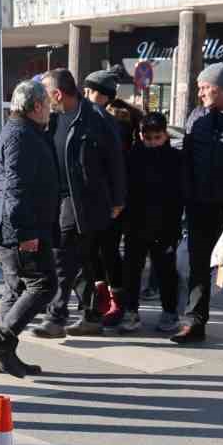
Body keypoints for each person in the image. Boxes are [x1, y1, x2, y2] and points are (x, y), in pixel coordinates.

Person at [35, 69, 125, 339]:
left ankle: (56, 316)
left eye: (45, 94)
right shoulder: (49, 119)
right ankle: (92, 315)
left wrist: (118, 199)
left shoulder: (97, 119)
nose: (42, 100)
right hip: (56, 200)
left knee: (62, 258)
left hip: (84, 200)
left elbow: (116, 162)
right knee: (82, 261)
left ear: (58, 94)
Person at [0, 79, 60, 378]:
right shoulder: (21, 135)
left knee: (15, 290)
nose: (50, 113)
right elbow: (16, 186)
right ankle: (0, 343)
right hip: (22, 228)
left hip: (17, 225)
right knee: (43, 285)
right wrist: (25, 233)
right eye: (48, 108)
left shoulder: (23, 131)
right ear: (37, 106)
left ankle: (3, 355)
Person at [175, 62, 223, 344]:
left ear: (221, 89)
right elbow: (186, 160)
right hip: (198, 205)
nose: (200, 92)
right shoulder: (196, 117)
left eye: (205, 87)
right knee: (198, 265)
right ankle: (194, 322)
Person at [118, 112, 185, 334]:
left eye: (157, 137)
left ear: (165, 135)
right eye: (148, 138)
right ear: (140, 135)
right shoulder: (132, 157)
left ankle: (169, 311)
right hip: (136, 223)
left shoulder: (175, 159)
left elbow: (179, 193)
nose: (153, 142)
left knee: (166, 271)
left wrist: (175, 223)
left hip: (165, 224)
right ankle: (130, 311)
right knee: (132, 270)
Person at [83, 69, 136, 325]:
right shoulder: (92, 117)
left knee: (109, 251)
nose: (85, 95)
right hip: (94, 199)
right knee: (93, 250)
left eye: (89, 91)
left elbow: (117, 166)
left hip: (112, 201)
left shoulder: (114, 122)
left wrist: (118, 201)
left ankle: (116, 301)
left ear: (101, 95)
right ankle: (101, 297)